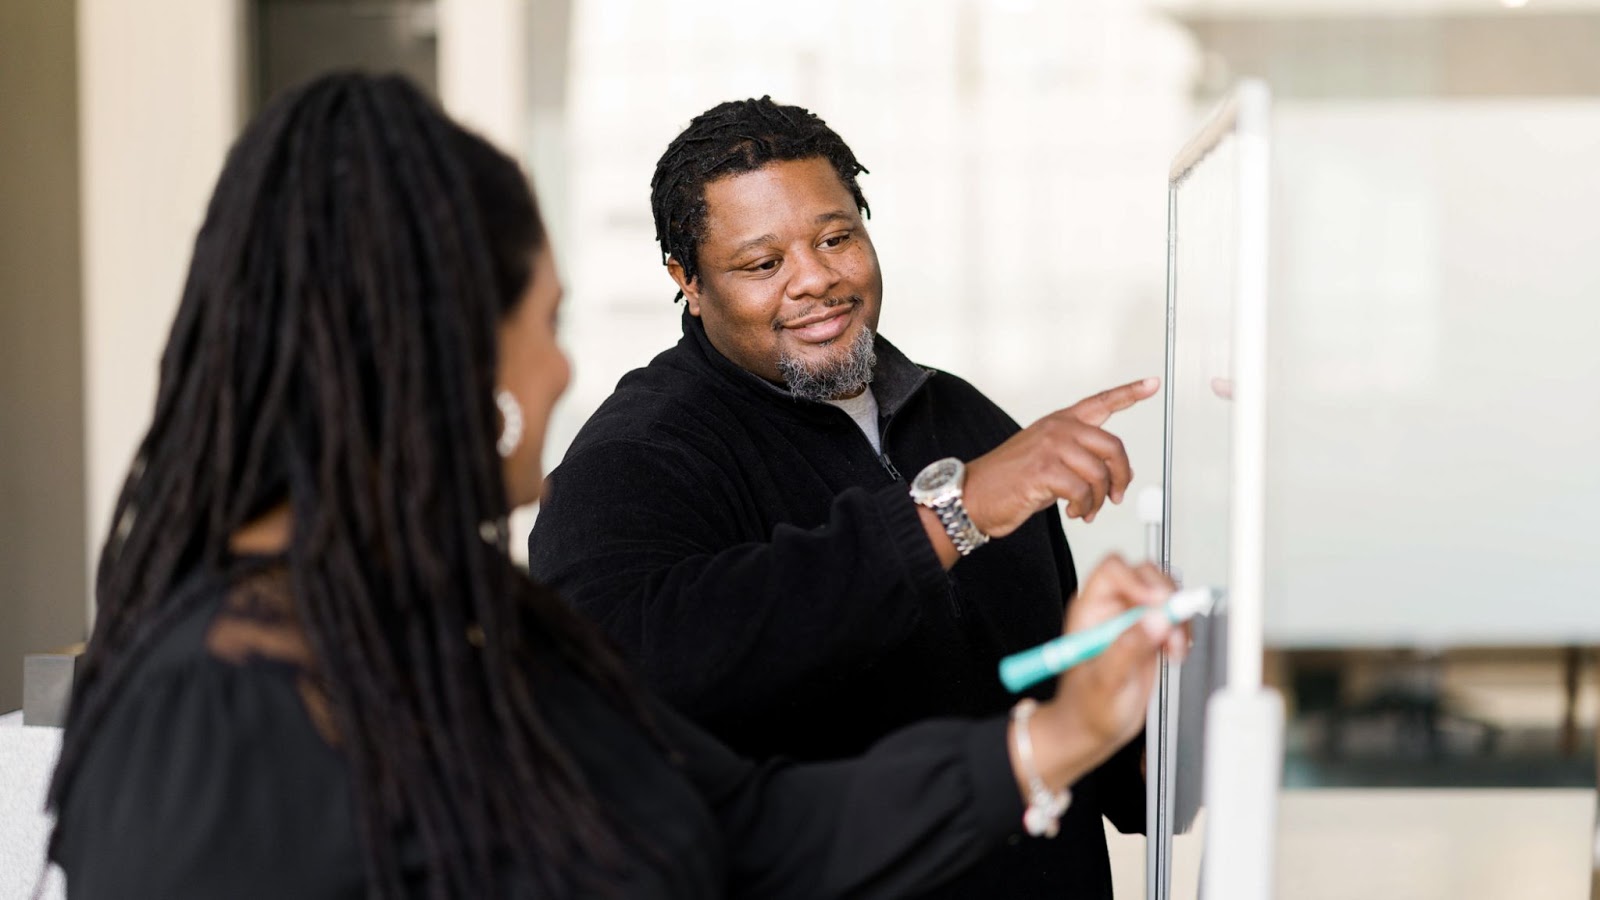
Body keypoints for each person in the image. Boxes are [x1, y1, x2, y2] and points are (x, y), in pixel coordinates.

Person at [45, 73, 1182, 899]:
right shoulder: (208, 703)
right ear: (435, 358)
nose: (562, 369)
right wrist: (943, 518)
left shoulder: (470, 636)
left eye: (835, 239)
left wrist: (1071, 731)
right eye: (542, 324)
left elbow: (746, 829)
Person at [529, 97, 1160, 897]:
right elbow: (627, 681)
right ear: (687, 282)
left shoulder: (962, 417)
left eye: (837, 238)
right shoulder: (634, 458)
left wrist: (1152, 725)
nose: (818, 279)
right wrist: (950, 514)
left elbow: (1050, 714)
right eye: (763, 265)